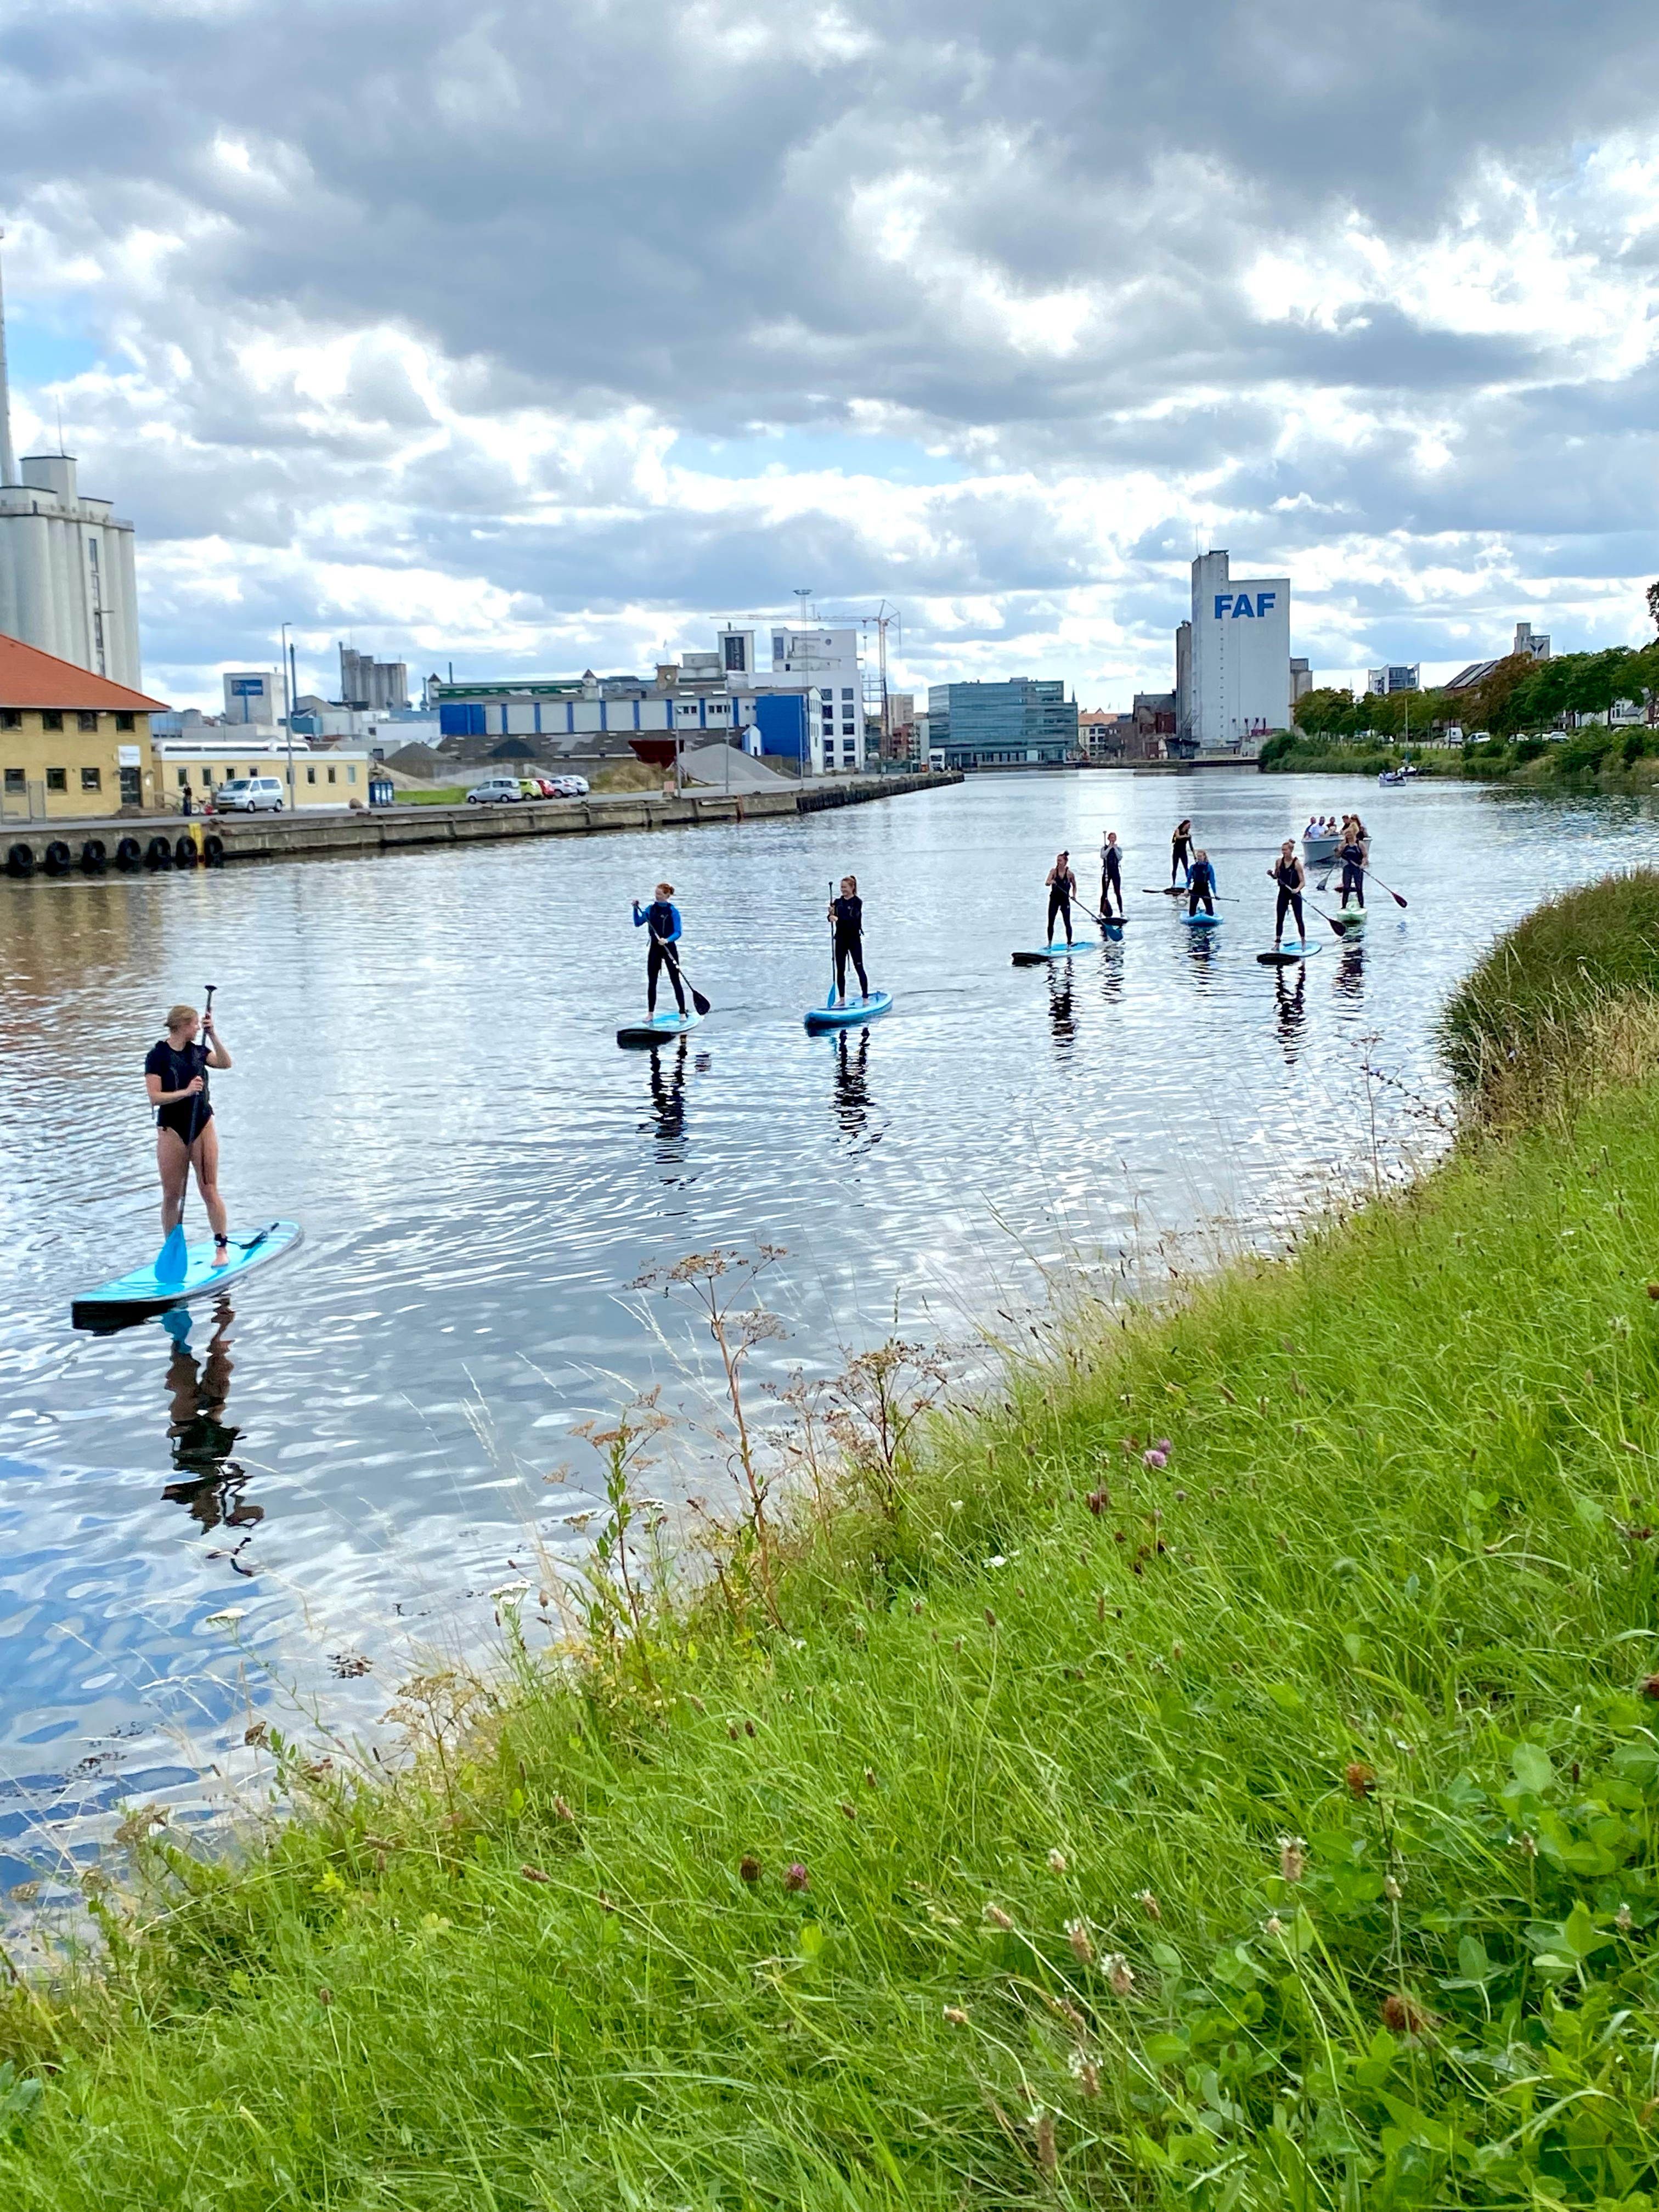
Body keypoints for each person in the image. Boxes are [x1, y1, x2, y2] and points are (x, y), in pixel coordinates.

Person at [145, 1002, 233, 1262]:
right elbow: (154, 1097)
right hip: (172, 1128)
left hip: (202, 1124)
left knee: (208, 1189)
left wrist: (214, 1034)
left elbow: (226, 1063)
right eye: (195, 1024)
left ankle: (221, 1248)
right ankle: (173, 1253)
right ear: (183, 1025)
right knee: (173, 1194)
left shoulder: (198, 1052)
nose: (198, 1028)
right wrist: (185, 1092)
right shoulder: (157, 1056)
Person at [631, 881, 688, 1017]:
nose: (656, 896)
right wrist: (635, 908)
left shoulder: (673, 911)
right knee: (652, 981)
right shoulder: (651, 910)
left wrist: (667, 940)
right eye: (656, 893)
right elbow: (638, 923)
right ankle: (650, 1014)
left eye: (659, 894)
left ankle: (682, 1012)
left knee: (675, 980)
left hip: (669, 948)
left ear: (667, 895)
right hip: (655, 948)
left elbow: (678, 932)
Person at [828, 874, 870, 1004]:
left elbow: (853, 920)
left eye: (845, 887)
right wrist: (830, 915)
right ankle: (841, 999)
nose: (843, 890)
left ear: (852, 888)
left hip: (854, 939)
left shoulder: (857, 902)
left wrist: (837, 919)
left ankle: (865, 998)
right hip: (840, 939)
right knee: (840, 969)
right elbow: (831, 918)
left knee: (859, 968)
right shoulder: (837, 902)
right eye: (841, 887)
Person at [1267, 839, 1307, 949]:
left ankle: (1303, 941)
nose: (1284, 852)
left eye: (1286, 850)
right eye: (1282, 850)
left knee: (1299, 918)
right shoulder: (1279, 862)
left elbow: (1303, 882)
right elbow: (1277, 876)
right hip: (1283, 893)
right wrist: (1272, 875)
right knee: (1280, 918)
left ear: (1291, 851)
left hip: (1295, 893)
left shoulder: (1297, 864)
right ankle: (1277, 943)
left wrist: (1297, 889)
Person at [1045, 851, 1077, 944]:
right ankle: (1050, 943)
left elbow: (1074, 886)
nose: (1058, 863)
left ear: (1065, 862)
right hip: (1054, 899)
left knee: (1067, 922)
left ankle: (1069, 943)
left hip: (1065, 900)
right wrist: (1052, 882)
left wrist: (1074, 896)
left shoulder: (1070, 874)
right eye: (1057, 861)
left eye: (1060, 861)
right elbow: (1047, 882)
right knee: (1051, 921)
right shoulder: (1054, 872)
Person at [1336, 823, 1367, 909]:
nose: (1348, 836)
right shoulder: (1343, 844)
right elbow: (1337, 856)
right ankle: (1343, 907)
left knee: (1359, 889)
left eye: (1350, 834)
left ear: (1354, 834)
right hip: (1347, 868)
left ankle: (1361, 907)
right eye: (1347, 834)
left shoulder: (1360, 844)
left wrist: (1363, 864)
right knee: (1346, 889)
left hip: (1358, 868)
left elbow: (1365, 857)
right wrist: (1339, 850)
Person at [1100, 831, 1124, 919]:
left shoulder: (1119, 849)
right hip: (1107, 872)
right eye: (1111, 838)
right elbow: (1103, 856)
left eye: (1114, 838)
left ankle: (1121, 912)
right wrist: (1109, 848)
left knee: (1118, 892)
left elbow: (1120, 857)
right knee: (1104, 893)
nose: (1113, 840)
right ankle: (1101, 912)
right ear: (1109, 839)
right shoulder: (1104, 848)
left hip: (1115, 872)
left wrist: (1115, 848)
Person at [1188, 848, 1218, 917]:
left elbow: (1212, 881)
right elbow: (1189, 879)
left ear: (1204, 857)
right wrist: (1187, 890)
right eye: (1198, 856)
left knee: (1210, 913)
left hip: (1205, 890)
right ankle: (1193, 914)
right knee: (1191, 913)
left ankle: (1208, 913)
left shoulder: (1209, 867)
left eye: (1200, 856)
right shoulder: (1193, 867)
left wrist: (1215, 894)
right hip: (1195, 890)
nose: (1199, 858)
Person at [1171, 820, 1194, 887]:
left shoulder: (1188, 834)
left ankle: (1189, 883)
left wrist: (1194, 855)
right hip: (1176, 852)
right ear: (1185, 825)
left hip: (1183, 852)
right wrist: (1185, 836)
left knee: (1186, 868)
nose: (1189, 827)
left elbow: (1191, 846)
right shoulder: (1178, 830)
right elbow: (1177, 836)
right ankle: (1174, 883)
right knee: (1175, 868)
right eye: (1189, 825)